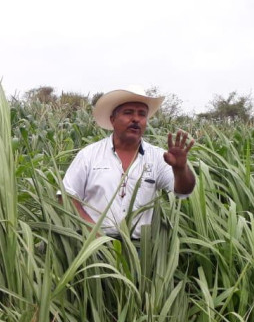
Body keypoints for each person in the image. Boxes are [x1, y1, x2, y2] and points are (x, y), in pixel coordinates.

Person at [62, 86, 196, 240]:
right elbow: (67, 196)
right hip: (92, 244)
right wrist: (93, 232)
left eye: (142, 114)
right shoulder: (89, 155)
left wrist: (180, 169)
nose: (136, 119)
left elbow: (183, 191)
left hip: (139, 251)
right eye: (128, 112)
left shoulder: (158, 157)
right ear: (113, 119)